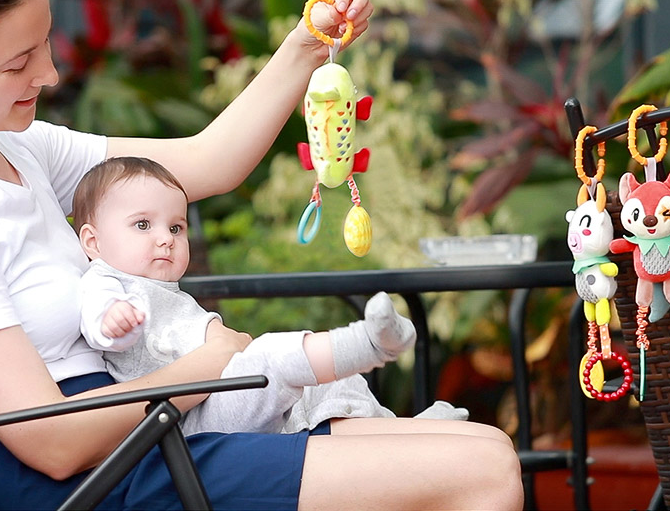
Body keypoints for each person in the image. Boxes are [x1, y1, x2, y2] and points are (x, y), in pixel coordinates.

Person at [0, 0, 523, 510]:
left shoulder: (17, 147)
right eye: (19, 63)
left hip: (142, 423)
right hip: (78, 478)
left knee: (487, 449)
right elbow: (50, 440)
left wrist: (307, 44)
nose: (50, 75)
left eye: (46, 43)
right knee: (478, 474)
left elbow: (207, 161)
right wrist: (210, 365)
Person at [73, 156, 468, 435]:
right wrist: (114, 320)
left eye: (176, 228)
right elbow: (99, 320)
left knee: (328, 382)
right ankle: (371, 344)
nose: (166, 238)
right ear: (93, 241)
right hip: (184, 421)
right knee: (271, 357)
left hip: (220, 395)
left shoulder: (167, 292)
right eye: (143, 225)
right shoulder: (107, 282)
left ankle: (405, 432)